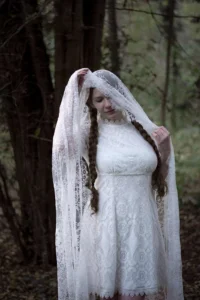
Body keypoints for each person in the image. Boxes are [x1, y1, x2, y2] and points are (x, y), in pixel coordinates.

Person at [52, 68, 184, 300]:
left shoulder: (143, 130)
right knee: (110, 295)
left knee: (138, 295)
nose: (107, 104)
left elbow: (158, 182)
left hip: (142, 224)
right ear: (91, 104)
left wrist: (163, 150)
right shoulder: (89, 132)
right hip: (106, 223)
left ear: (120, 94)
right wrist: (74, 87)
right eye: (99, 100)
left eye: (110, 96)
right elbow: (61, 146)